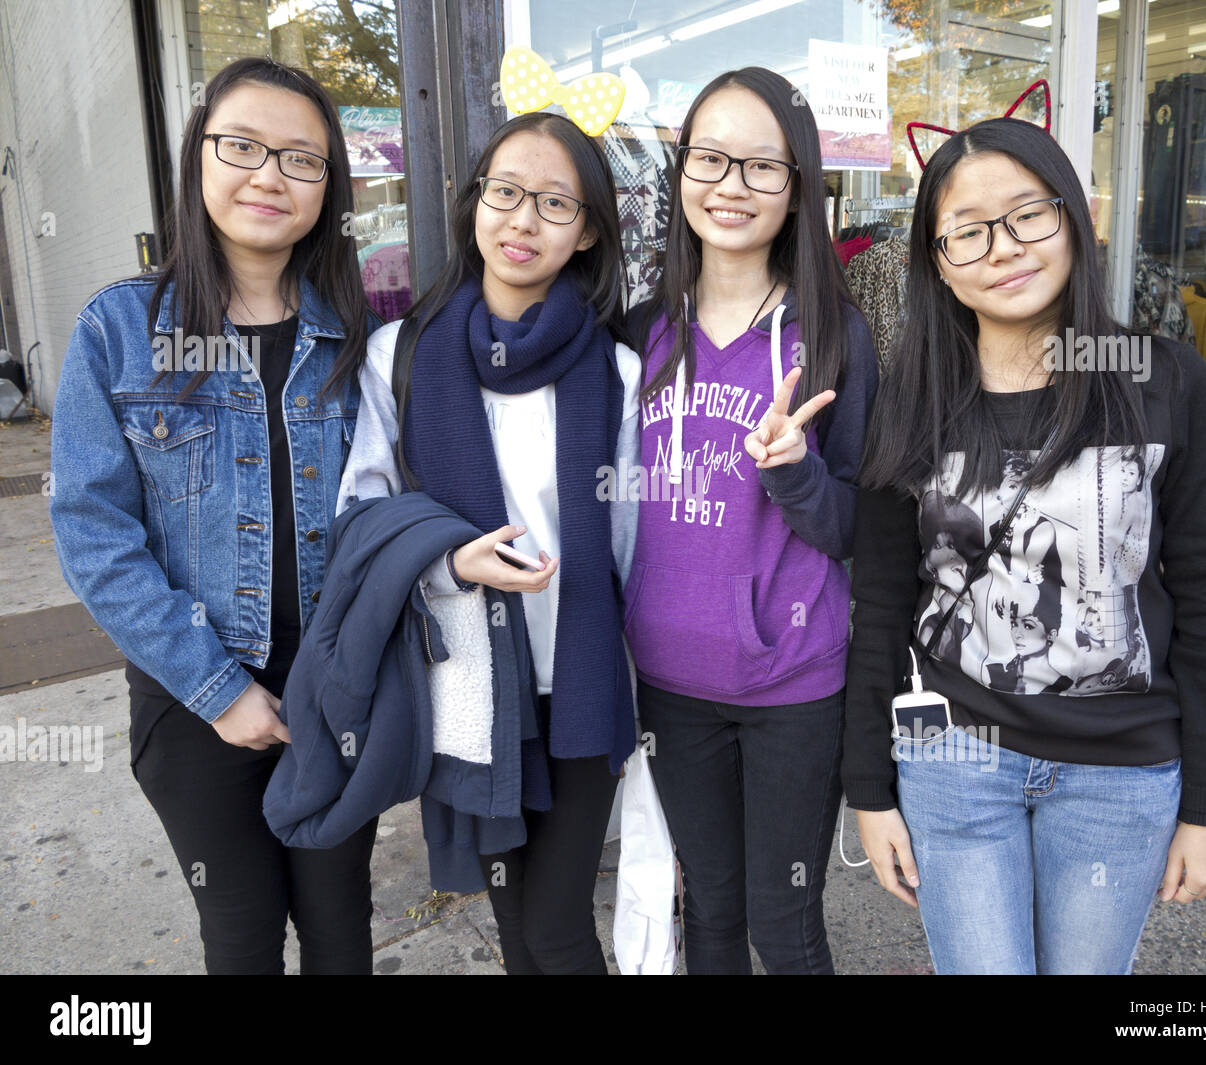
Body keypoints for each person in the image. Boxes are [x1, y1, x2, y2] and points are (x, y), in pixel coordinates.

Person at [844, 114, 1206, 974]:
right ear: (939, 263)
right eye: (969, 230)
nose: (1004, 247)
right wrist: (867, 792)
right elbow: (879, 602)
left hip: (1121, 774)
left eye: (1029, 213)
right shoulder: (913, 400)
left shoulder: (1163, 378)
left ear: (1072, 220)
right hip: (953, 761)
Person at [48, 57, 380, 974]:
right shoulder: (121, 329)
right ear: (199, 157)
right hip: (192, 699)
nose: (269, 175)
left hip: (331, 692)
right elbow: (92, 531)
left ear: (329, 186)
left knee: (341, 931)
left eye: (300, 159)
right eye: (243, 146)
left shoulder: (357, 334)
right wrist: (219, 690)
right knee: (239, 939)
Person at [337, 111, 639, 974]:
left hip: (578, 688)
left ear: (586, 232)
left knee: (557, 925)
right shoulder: (402, 355)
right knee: (513, 927)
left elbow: (631, 542)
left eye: (554, 203)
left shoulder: (614, 372)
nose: (523, 220)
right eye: (505, 193)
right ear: (474, 205)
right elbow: (361, 514)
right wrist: (446, 560)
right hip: (469, 689)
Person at [625, 67, 878, 974]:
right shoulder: (637, 333)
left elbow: (866, 529)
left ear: (799, 184)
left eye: (761, 166)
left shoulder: (838, 339)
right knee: (713, 914)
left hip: (793, 684)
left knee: (786, 921)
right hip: (667, 681)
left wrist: (798, 477)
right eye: (711, 158)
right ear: (681, 170)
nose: (731, 185)